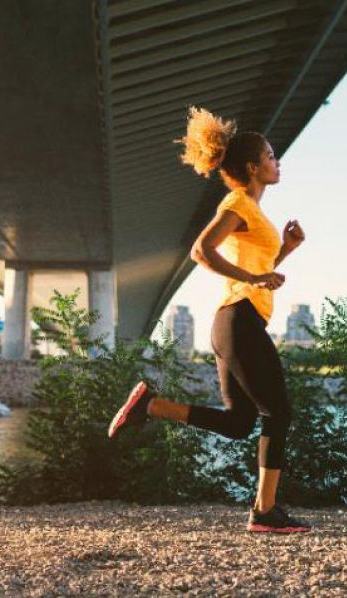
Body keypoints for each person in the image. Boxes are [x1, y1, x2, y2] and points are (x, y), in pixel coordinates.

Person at [108, 107, 310, 534]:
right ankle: (264, 511)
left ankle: (150, 405)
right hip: (238, 321)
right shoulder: (238, 202)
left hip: (232, 322)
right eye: (272, 157)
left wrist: (285, 251)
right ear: (254, 167)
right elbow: (202, 250)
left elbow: (258, 268)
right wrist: (255, 276)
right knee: (278, 412)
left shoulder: (253, 211)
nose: (278, 163)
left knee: (239, 423)